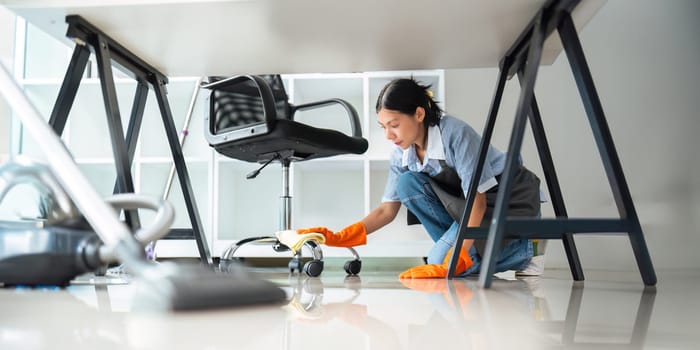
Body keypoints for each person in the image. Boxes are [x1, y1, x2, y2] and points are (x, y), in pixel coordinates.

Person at [297, 78, 542, 279]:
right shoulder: (402, 153)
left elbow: (477, 202)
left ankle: (524, 250)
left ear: (419, 114)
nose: (389, 135)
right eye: (383, 127)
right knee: (407, 184)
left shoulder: (455, 134)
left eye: (394, 124)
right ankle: (467, 257)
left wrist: (455, 258)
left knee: (440, 262)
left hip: (503, 199)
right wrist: (343, 236)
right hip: (465, 207)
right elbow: (386, 211)